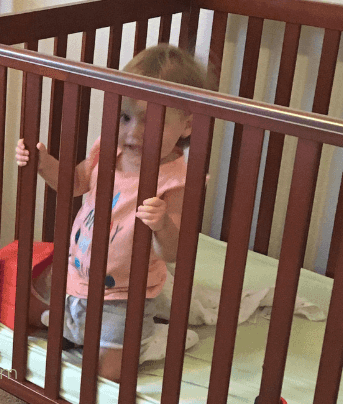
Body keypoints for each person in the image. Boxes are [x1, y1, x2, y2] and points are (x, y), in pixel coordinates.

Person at [15, 43, 207, 383]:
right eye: (125, 117)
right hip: (78, 278)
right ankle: (75, 327)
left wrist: (162, 224)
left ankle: (149, 342)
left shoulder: (178, 181)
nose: (132, 132)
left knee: (107, 373)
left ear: (187, 125)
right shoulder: (106, 151)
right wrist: (41, 162)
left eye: (150, 122)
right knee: (25, 308)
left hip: (126, 295)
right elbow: (73, 182)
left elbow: (175, 252)